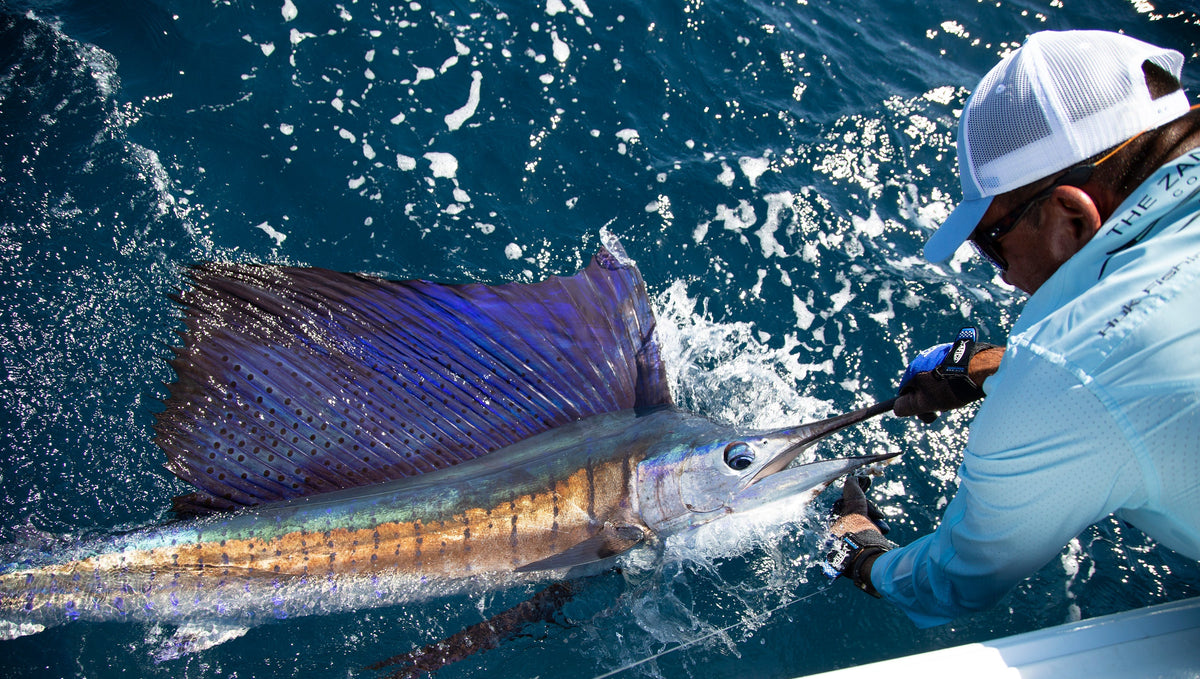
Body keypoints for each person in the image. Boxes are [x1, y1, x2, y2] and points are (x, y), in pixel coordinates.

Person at [824, 29, 1200, 627]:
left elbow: (950, 582)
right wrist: (992, 368)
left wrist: (858, 550)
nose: (1000, 277)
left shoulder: (1068, 375)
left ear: (1071, 216)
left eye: (992, 243)